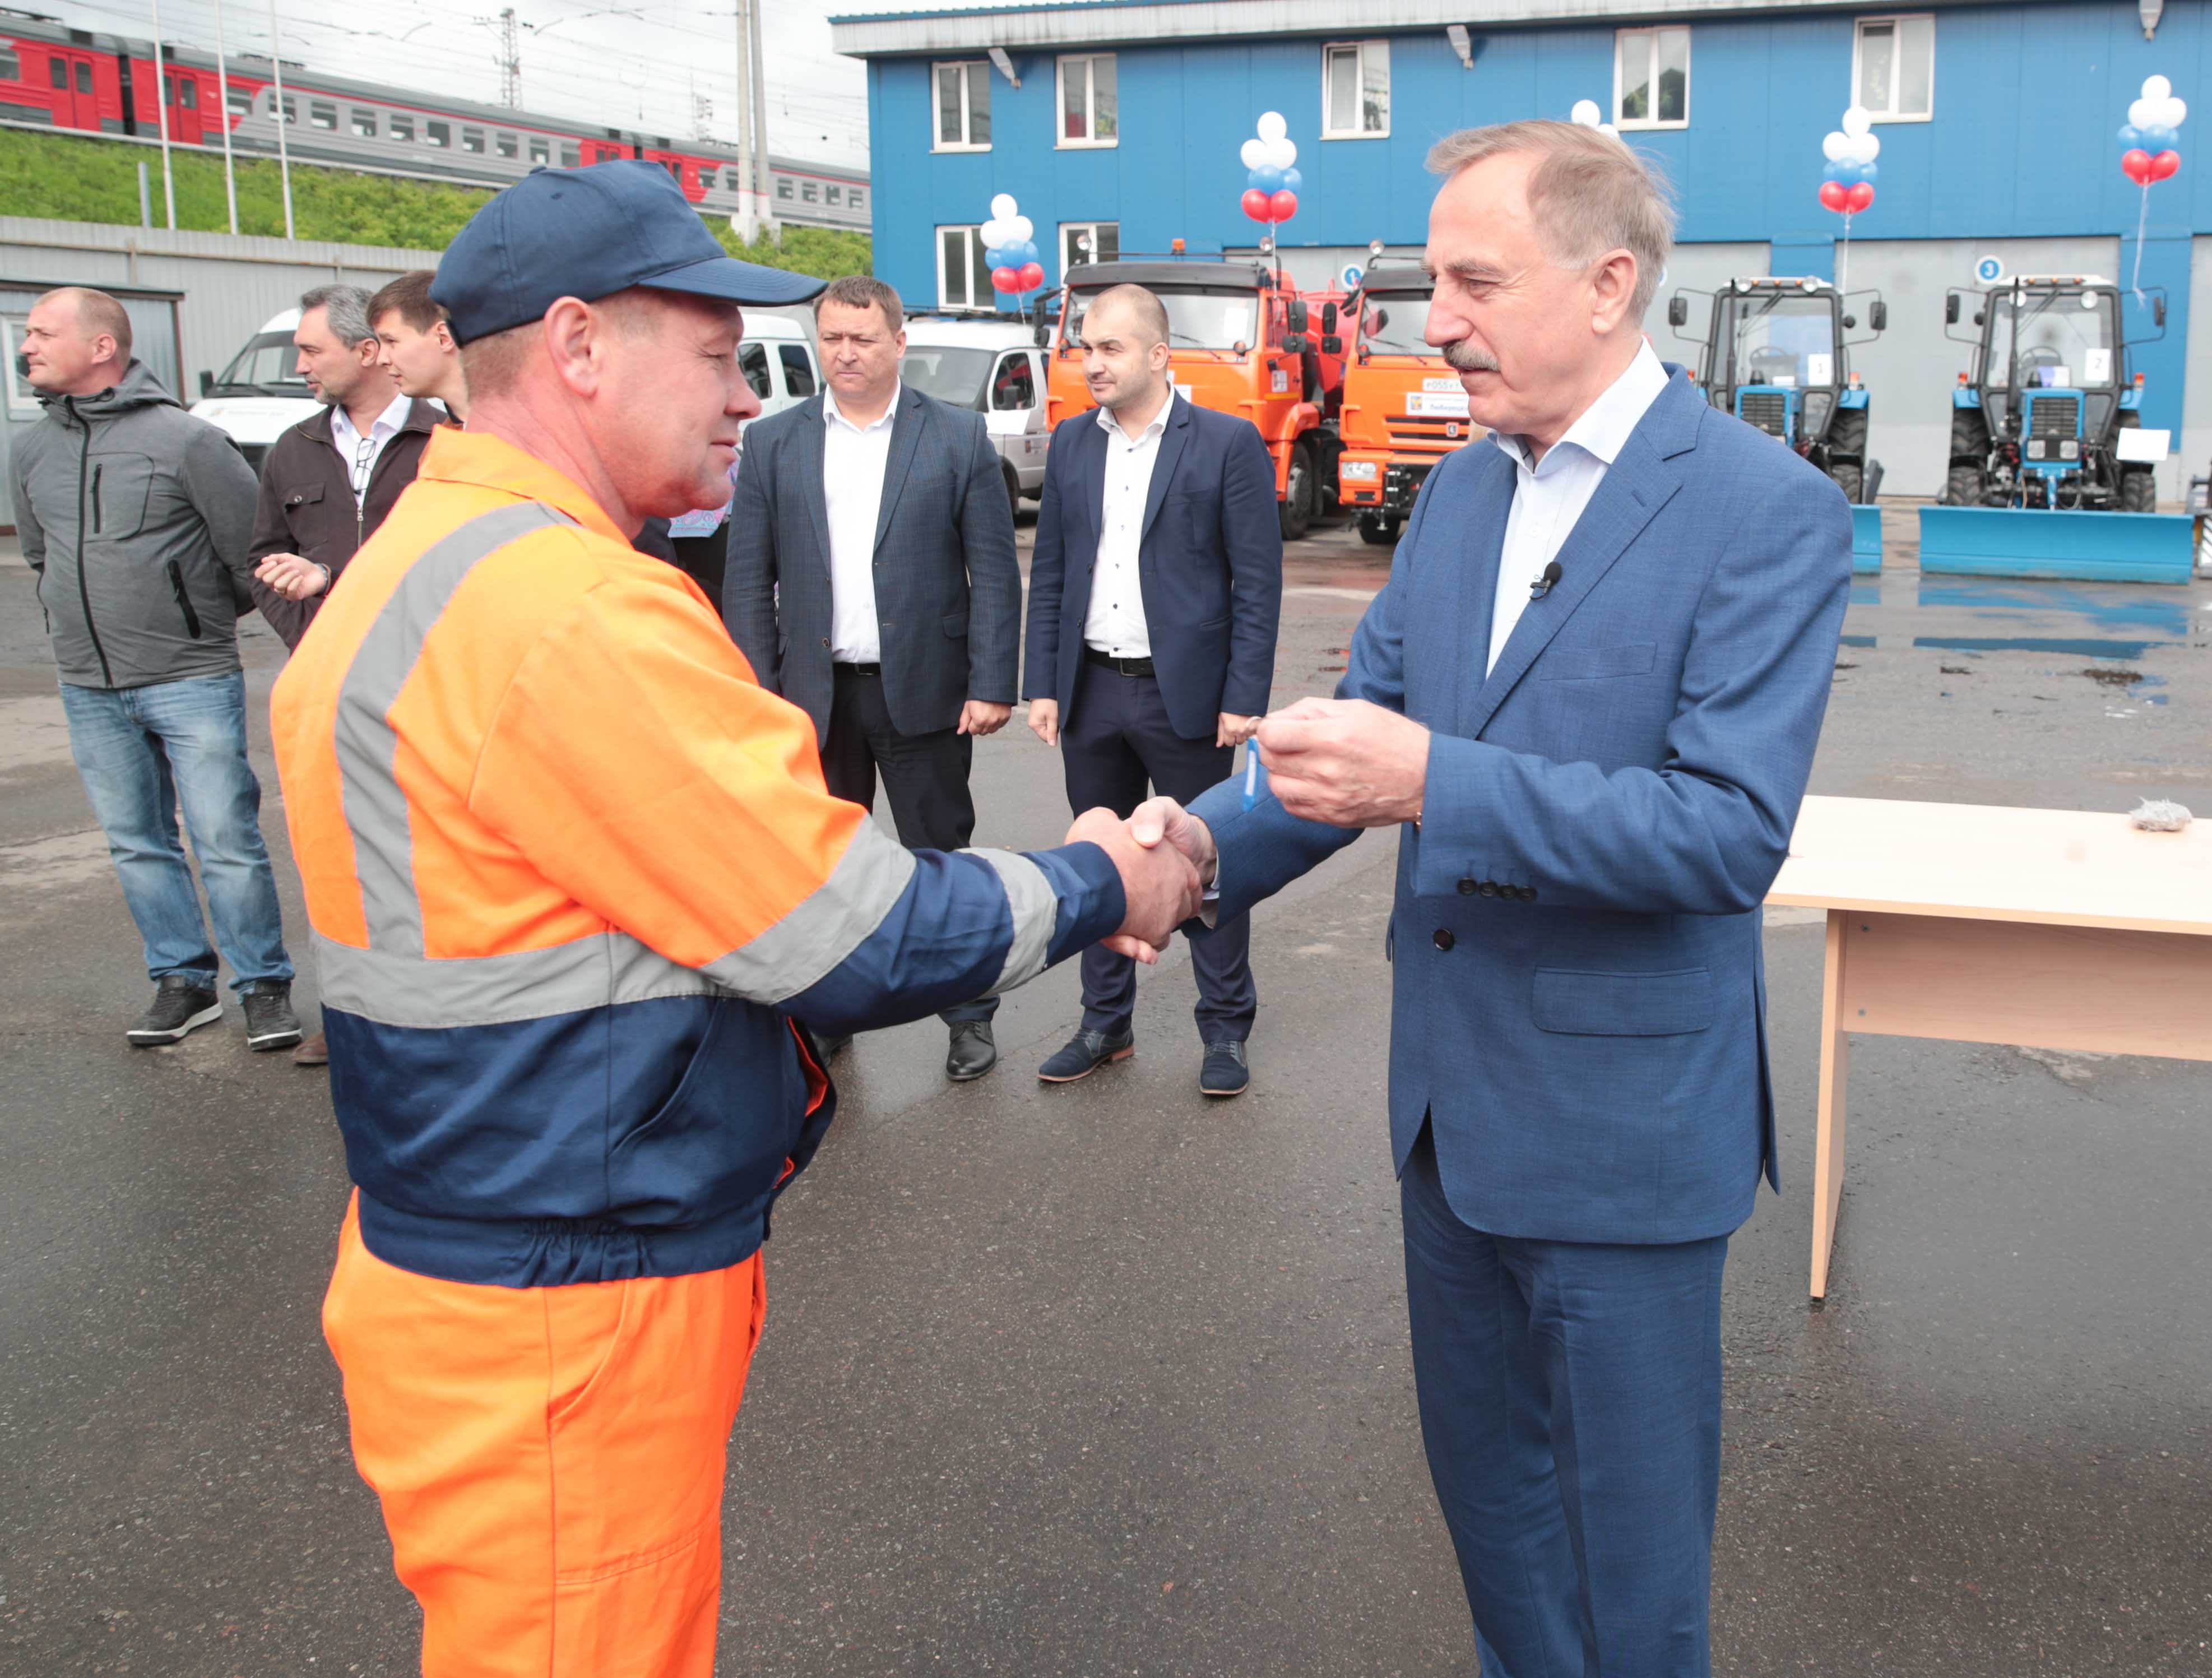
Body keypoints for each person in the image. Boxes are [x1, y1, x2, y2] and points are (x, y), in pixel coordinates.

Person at [270, 160, 1198, 1678]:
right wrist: (1107, 878)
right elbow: (851, 929)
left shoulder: (422, 566)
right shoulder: (566, 610)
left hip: (475, 1248)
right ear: (577, 346)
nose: (746, 395)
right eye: (713, 356)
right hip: (564, 1299)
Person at [1117, 122, 1851, 1674]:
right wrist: (1184, 855)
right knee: (1496, 1526)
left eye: (1471, 282)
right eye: (1431, 283)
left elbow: (1723, 833)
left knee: (1629, 1570)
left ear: (1606, 283)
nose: (1434, 320)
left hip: (1622, 1142)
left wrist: (1435, 782)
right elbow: (1349, 746)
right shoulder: (1457, 496)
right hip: (1447, 1129)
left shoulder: (1761, 508)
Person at [724, 275, 1023, 1083]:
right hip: (811, 699)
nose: (845, 353)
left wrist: (992, 682)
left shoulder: (955, 436)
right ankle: (829, 1016)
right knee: (820, 871)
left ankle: (967, 1016)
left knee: (941, 858)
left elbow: (994, 573)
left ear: (898, 342)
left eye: (861, 338)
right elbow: (747, 581)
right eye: (831, 338)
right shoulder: (772, 442)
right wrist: (759, 694)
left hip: (924, 691)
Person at [10, 286, 302, 1053]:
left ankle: (263, 986)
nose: (26, 346)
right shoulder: (31, 449)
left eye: (42, 333)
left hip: (188, 676)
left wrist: (190, 617)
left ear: (101, 346)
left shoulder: (187, 441)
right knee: (137, 843)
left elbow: (250, 554)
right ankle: (183, 980)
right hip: (88, 683)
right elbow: (41, 556)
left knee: (224, 839)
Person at [1022, 283, 1282, 1097]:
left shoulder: (1226, 443)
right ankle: (1105, 1023)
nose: (1091, 363)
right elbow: (1052, 570)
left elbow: (1256, 582)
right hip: (1092, 688)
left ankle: (1225, 1027)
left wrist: (1243, 695)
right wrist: (1042, 683)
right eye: (1085, 348)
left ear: (1158, 355)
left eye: (1110, 348)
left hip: (1188, 698)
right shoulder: (1072, 442)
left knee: (1206, 863)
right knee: (1098, 858)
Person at [367, 269, 469, 423]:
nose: (381, 359)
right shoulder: (450, 432)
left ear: (443, 337)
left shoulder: (504, 429)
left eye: (391, 341)